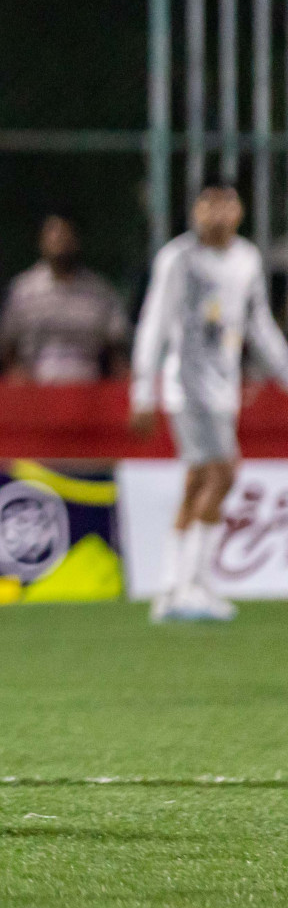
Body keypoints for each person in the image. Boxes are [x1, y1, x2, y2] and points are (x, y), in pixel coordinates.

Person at [130, 182, 288, 623]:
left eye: (225, 203)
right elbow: (154, 324)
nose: (215, 212)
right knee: (224, 472)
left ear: (238, 210)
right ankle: (189, 585)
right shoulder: (179, 259)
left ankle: (173, 587)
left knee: (200, 479)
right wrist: (144, 389)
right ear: (195, 210)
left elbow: (258, 326)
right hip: (186, 384)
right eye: (207, 203)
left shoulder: (246, 260)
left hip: (224, 388)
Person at [0, 214, 129, 384]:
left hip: (88, 390)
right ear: (41, 241)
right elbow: (8, 346)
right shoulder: (23, 290)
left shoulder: (100, 291)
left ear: (77, 240)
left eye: (66, 233)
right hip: (34, 388)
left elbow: (116, 351)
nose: (60, 240)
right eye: (54, 233)